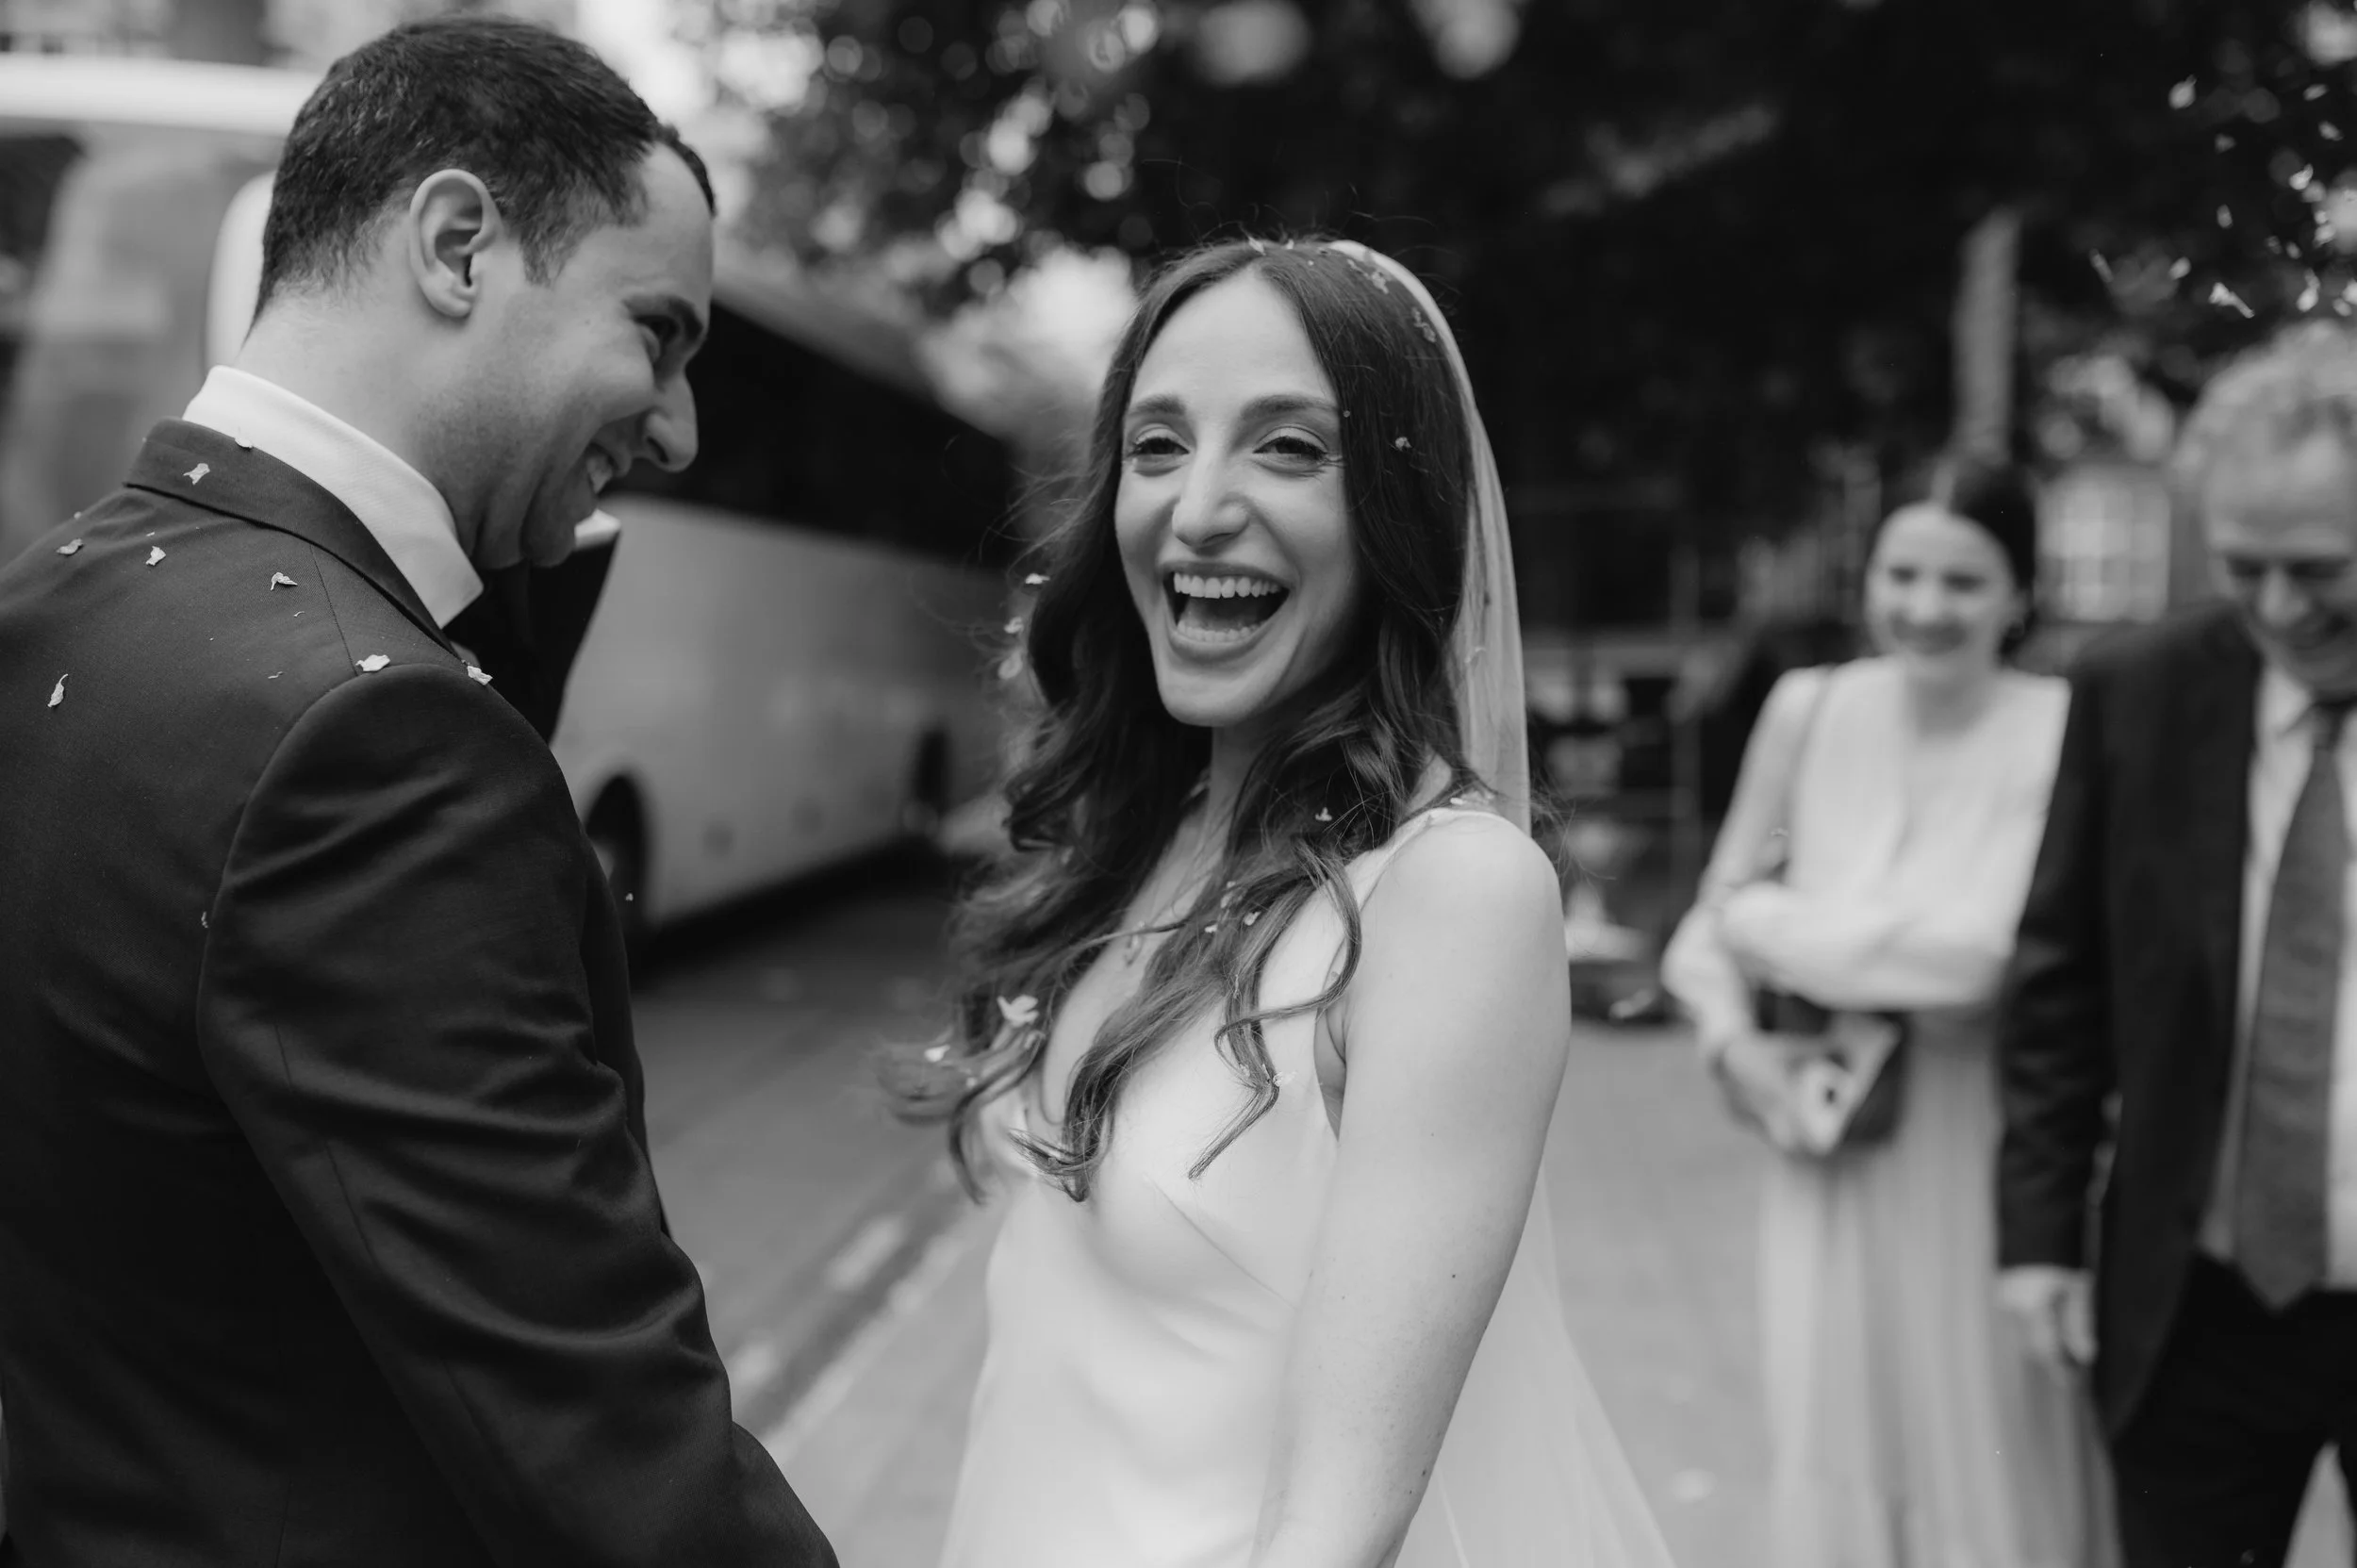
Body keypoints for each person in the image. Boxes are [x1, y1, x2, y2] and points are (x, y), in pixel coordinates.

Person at [0, 19, 835, 1565]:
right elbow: (600, 1437)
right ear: (458, 243)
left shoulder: (51, 598)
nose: (679, 426)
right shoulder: (376, 740)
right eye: (657, 332)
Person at [892, 238, 1676, 1567]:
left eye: (1288, 448)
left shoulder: (1453, 896)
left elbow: (1336, 1519)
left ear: (1397, 506)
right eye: (1156, 444)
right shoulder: (1140, 836)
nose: (1198, 508)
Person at [1661, 461, 2114, 1567]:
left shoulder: (2062, 728)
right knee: (1836, 1419)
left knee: (1993, 1428)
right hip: (1830, 1132)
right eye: (1900, 573)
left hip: (1990, 1139)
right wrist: (1736, 1052)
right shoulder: (1809, 709)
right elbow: (1697, 934)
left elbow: (1980, 960)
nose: (1923, 607)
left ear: (2019, 594)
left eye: (1962, 581)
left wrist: (1775, 925)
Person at [1998, 322, 2357, 1567]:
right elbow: (2060, 980)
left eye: (2318, 568)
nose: (2276, 606)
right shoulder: (2137, 688)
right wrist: (2040, 1238)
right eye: (2245, 562)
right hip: (2192, 1300)